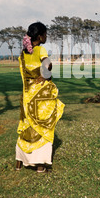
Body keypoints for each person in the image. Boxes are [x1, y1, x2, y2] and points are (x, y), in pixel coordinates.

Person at [16, 22, 65, 173]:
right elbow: (47, 64)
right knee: (43, 127)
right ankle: (40, 166)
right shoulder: (40, 49)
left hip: (26, 96)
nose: (46, 36)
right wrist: (44, 76)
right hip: (40, 97)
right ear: (39, 36)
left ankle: (19, 163)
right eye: (45, 34)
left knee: (26, 126)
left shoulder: (23, 54)